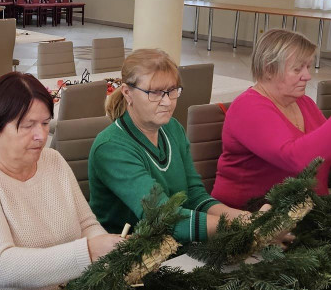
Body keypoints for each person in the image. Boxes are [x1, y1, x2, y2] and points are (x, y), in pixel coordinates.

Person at [0, 72, 119, 290]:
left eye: (45, 123)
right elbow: (2, 267)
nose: (41, 136)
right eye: (28, 125)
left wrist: (109, 253)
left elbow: (86, 225)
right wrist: (88, 252)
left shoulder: (53, 160)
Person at [88, 49, 261, 243]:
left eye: (172, 91)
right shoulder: (111, 147)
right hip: (130, 251)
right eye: (154, 93)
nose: (167, 102)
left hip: (172, 245)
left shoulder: (173, 128)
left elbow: (194, 196)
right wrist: (244, 225)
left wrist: (248, 219)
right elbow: (163, 218)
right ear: (128, 93)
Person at [211, 29, 331, 210]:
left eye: (308, 67)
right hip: (254, 219)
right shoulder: (248, 107)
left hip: (308, 213)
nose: (307, 76)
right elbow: (296, 160)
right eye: (297, 69)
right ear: (268, 69)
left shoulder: (303, 102)